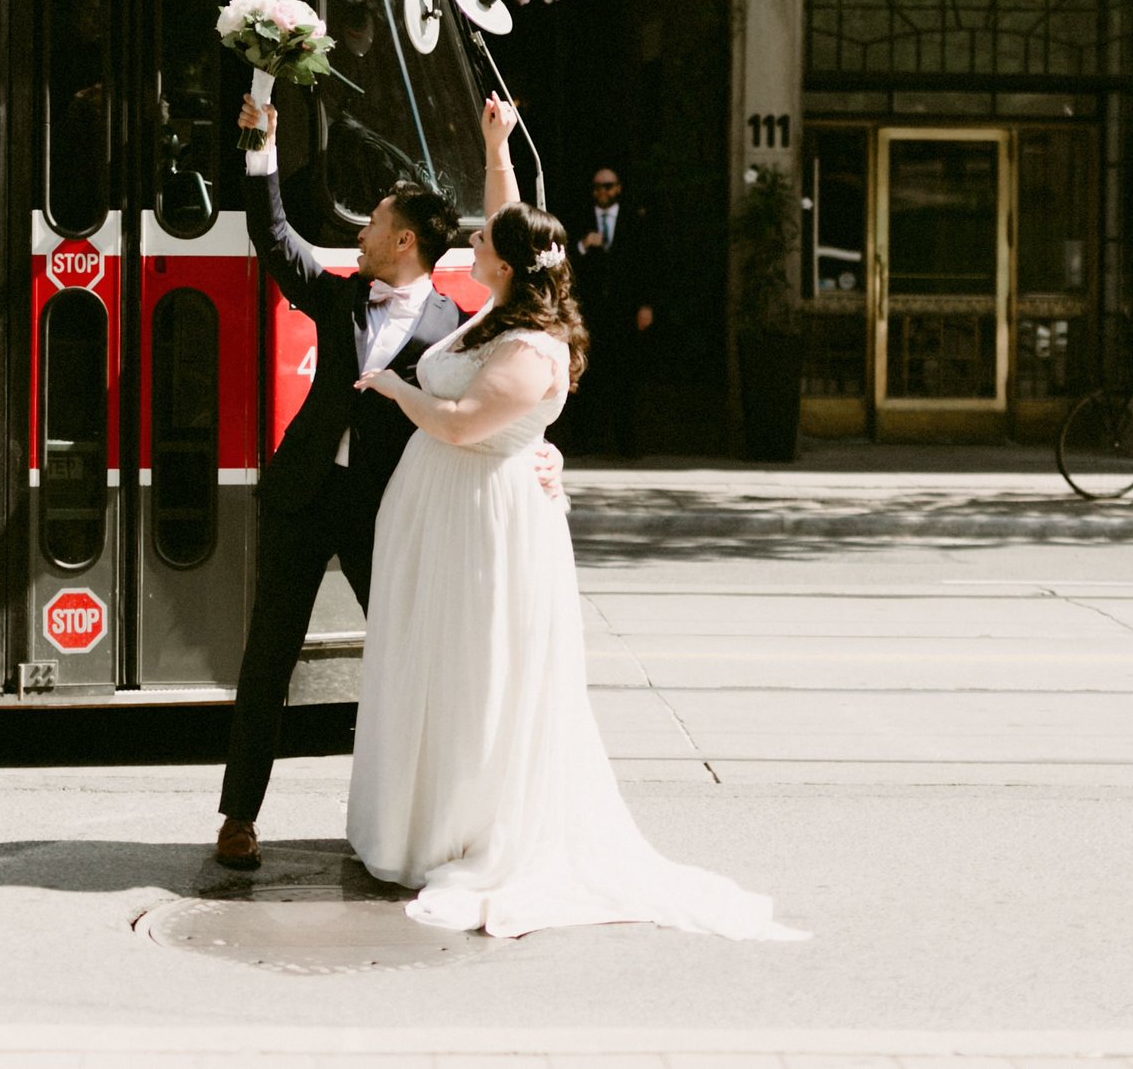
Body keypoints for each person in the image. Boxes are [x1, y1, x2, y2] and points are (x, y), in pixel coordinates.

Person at [345, 97, 806, 942]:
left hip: (484, 529)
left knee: (475, 673)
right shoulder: (498, 311)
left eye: (485, 239)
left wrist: (394, 385)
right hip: (445, 518)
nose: (472, 239)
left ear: (511, 265)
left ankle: (463, 827)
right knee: (437, 667)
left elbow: (457, 425)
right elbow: (509, 208)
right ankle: (424, 816)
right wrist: (495, 145)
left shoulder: (529, 346)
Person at [215, 90, 558, 871]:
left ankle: (415, 821)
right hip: (302, 495)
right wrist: (260, 147)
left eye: (370, 223)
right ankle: (238, 817)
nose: (358, 233)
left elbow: (514, 379)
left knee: (412, 659)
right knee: (268, 657)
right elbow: (273, 239)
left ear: (402, 241)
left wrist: (540, 446)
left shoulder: (458, 326)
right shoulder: (338, 295)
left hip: (390, 511)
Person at [566, 166, 652, 456]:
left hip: (623, 310)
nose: (603, 192)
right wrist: (583, 245)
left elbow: (646, 265)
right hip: (590, 311)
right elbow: (562, 261)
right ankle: (582, 442)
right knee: (586, 375)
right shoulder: (581, 219)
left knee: (624, 377)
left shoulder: (634, 221)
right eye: (598, 187)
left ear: (618, 189)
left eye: (608, 186)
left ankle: (626, 445)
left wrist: (645, 305)